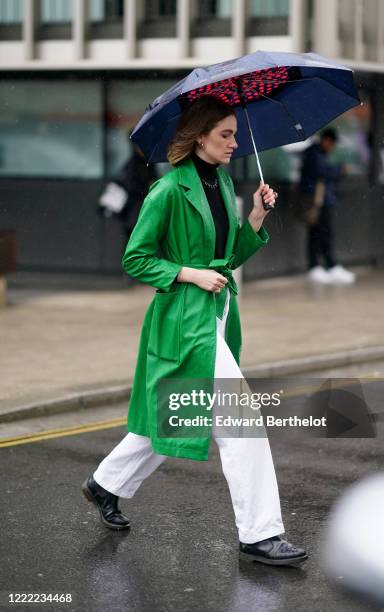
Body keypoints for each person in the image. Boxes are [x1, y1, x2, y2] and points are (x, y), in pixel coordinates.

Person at [82, 96, 307, 567]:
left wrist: (255, 218)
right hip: (185, 320)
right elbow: (136, 258)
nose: (234, 142)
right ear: (199, 136)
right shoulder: (166, 191)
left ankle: (105, 484)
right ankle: (261, 534)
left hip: (216, 314)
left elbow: (226, 259)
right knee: (242, 423)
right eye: (225, 134)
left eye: (234, 134)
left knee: (178, 411)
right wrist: (188, 272)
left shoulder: (223, 183)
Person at [300, 127, 355, 284]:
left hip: (323, 201)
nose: (333, 148)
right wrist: (340, 169)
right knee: (318, 233)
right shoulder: (313, 154)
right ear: (327, 141)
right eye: (333, 144)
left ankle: (326, 265)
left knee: (323, 233)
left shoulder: (318, 154)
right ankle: (317, 266)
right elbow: (322, 173)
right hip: (317, 202)